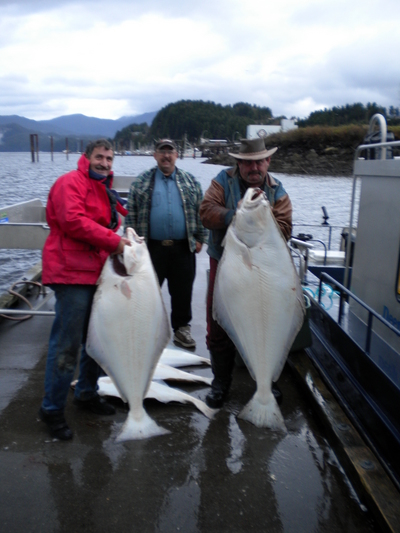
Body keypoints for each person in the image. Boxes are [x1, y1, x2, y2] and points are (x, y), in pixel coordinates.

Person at [39, 139, 131, 440]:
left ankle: (87, 393)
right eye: (100, 157)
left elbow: (120, 218)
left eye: (109, 158)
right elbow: (73, 220)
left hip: (98, 274)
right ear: (86, 157)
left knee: (97, 340)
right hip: (71, 275)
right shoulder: (70, 183)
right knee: (67, 344)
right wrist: (114, 242)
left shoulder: (105, 189)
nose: (105, 163)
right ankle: (51, 409)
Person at [199, 137, 293, 408]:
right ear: (238, 163)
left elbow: (285, 227)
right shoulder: (221, 181)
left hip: (267, 268)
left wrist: (259, 217)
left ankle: (266, 383)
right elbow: (206, 212)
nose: (255, 167)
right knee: (217, 322)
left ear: (268, 162)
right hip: (228, 263)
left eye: (260, 161)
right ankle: (221, 384)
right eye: (248, 162)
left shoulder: (278, 191)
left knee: (268, 321)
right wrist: (235, 215)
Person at [124, 139, 208, 349]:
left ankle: (181, 329)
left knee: (182, 291)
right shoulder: (141, 182)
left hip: (183, 247)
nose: (166, 156)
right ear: (155, 155)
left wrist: (200, 238)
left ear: (176, 155)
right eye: (162, 152)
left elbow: (202, 211)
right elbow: (131, 214)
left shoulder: (191, 181)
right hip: (151, 248)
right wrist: (132, 244)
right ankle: (145, 330)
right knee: (146, 291)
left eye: (170, 152)